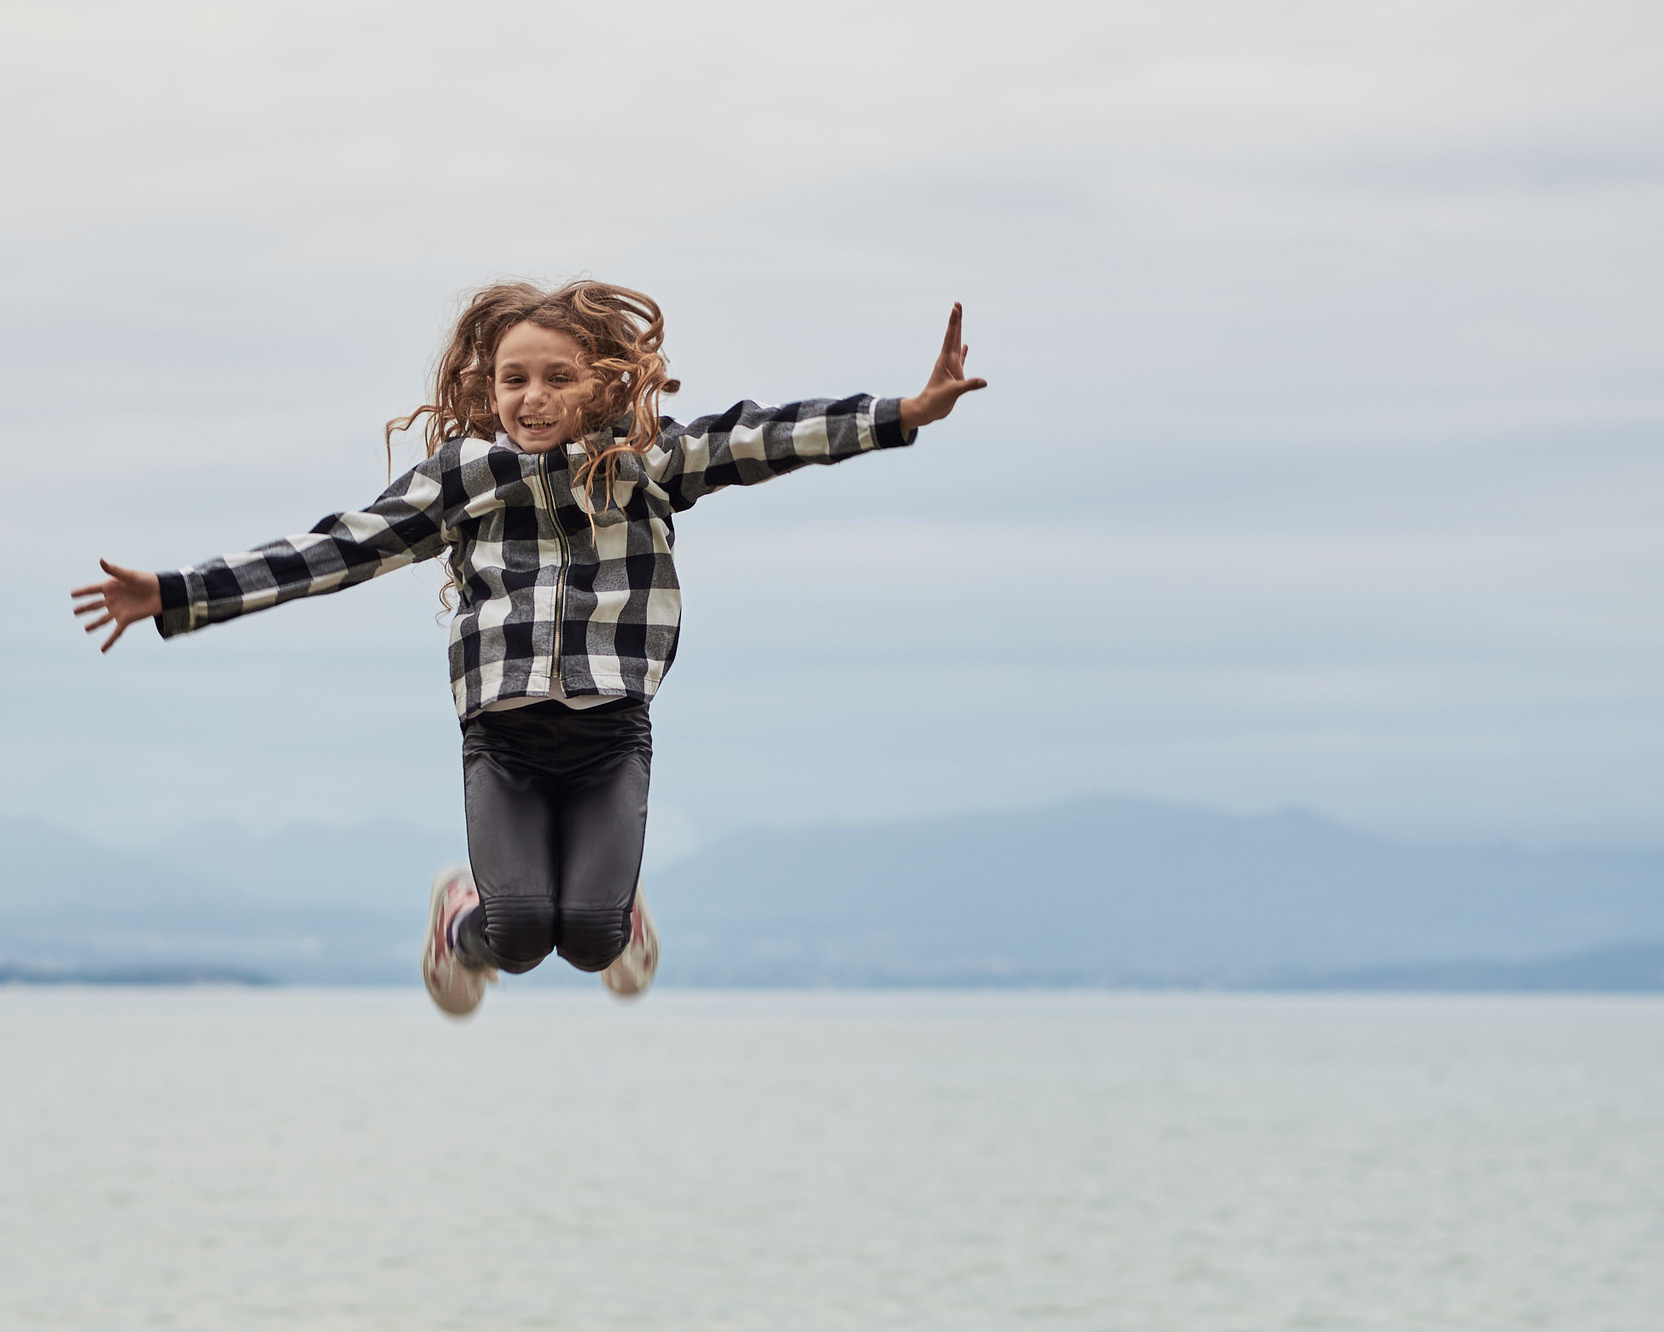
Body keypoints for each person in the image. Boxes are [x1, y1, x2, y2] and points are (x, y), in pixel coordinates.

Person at [73, 281, 985, 1017]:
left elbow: (768, 437)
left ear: (604, 382)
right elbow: (335, 548)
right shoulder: (461, 479)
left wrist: (905, 411)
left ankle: (616, 906)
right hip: (503, 743)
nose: (533, 397)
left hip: (608, 735)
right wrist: (179, 591)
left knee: (590, 938)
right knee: (515, 932)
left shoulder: (649, 460)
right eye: (514, 379)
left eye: (556, 377)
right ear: (489, 387)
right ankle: (457, 917)